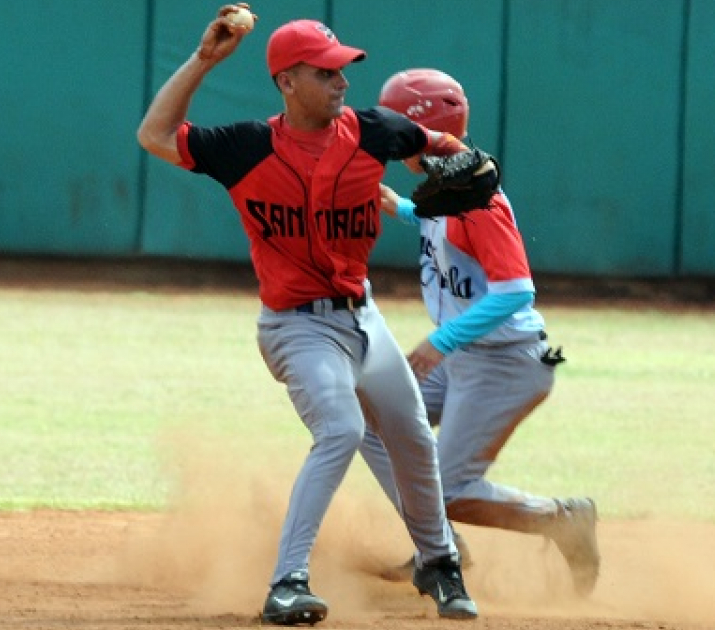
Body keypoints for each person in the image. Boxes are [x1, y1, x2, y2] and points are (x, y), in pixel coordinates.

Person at [136, 9, 483, 624]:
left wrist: (455, 166)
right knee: (342, 429)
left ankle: (439, 562)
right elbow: (155, 136)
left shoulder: (374, 131)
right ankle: (288, 581)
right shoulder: (245, 148)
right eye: (326, 73)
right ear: (287, 83)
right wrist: (206, 60)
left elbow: (447, 148)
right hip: (296, 327)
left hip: (363, 319)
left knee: (410, 437)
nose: (342, 82)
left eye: (343, 69)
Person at [357, 68, 601, 596]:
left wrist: (440, 341)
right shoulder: (450, 183)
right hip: (468, 359)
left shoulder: (479, 199)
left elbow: (515, 292)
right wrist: (396, 205)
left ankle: (562, 518)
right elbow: (435, 220)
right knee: (367, 414)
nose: (382, 132)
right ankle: (439, 547)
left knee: (447, 490)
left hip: (504, 364)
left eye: (390, 121)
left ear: (418, 128)